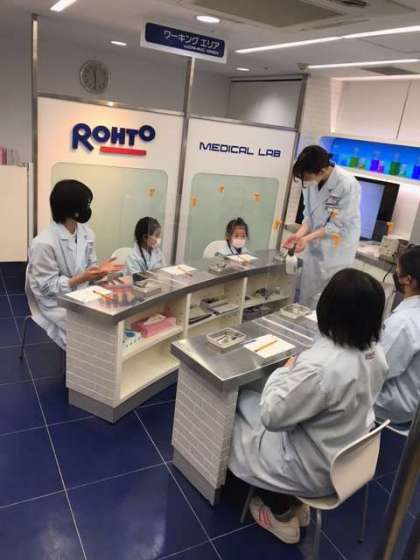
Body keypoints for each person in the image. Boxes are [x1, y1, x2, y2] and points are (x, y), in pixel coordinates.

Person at [229, 269, 387, 544]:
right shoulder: (377, 354)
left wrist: (285, 370)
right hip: (346, 461)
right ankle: (295, 504)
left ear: (328, 308)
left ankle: (280, 513)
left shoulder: (321, 367)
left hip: (312, 470)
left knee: (238, 415)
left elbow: (272, 416)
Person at [27, 180, 122, 349]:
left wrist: (99, 272)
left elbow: (91, 266)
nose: (88, 208)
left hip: (83, 294)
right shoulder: (43, 243)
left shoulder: (87, 234)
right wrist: (81, 278)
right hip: (56, 302)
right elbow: (47, 288)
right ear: (71, 209)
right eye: (86, 204)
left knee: (113, 318)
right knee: (94, 334)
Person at [283, 145, 361, 308]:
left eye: (307, 176)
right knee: (307, 295)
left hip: (336, 249)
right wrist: (299, 235)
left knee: (327, 300)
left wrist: (306, 239)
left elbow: (336, 225)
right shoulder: (311, 181)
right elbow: (309, 216)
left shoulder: (346, 184)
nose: (305, 181)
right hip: (315, 247)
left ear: (322, 171)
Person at [375, 245, 420, 425]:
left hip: (390, 407)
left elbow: (377, 371)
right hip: (413, 403)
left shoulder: (404, 323)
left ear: (408, 280)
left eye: (398, 269)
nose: (396, 273)